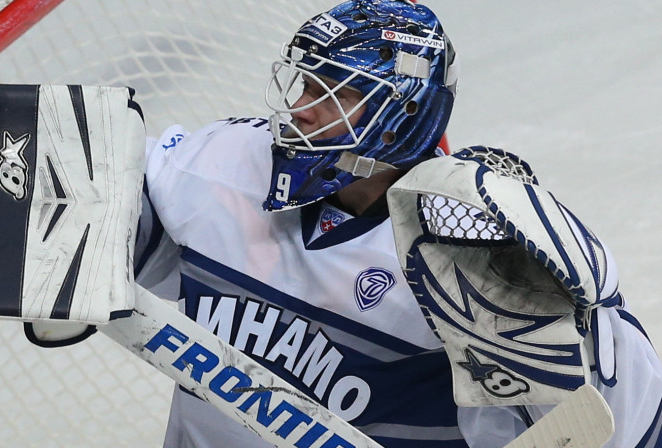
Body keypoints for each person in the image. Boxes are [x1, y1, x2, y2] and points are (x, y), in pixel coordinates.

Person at [100, 1, 662, 446]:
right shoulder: (232, 161)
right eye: (303, 83)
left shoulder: (470, 260)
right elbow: (108, 215)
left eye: (331, 91)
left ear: (400, 120)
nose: (301, 105)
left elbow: (611, 427)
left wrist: (581, 325)